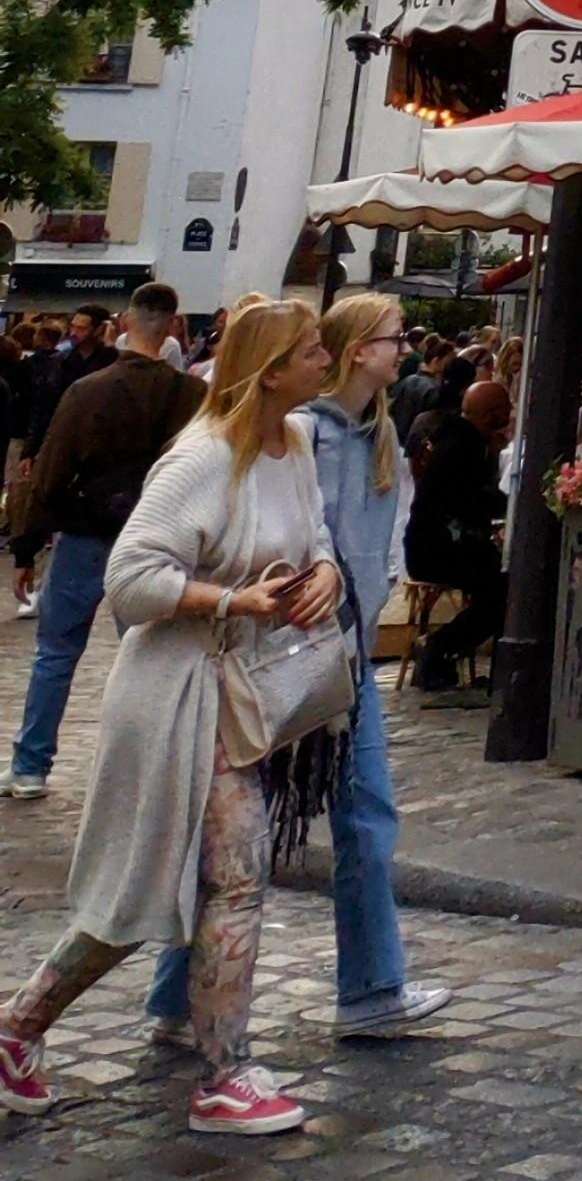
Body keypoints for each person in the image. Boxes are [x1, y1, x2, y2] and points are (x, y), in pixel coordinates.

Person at [0, 301, 346, 1139]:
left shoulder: (293, 443)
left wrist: (326, 571)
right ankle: (224, 1073)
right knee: (201, 878)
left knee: (185, 882)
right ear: (269, 371)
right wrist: (232, 597)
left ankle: (18, 1029)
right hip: (175, 694)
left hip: (236, 692)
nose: (325, 360)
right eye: (311, 351)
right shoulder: (199, 459)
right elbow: (132, 580)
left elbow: (314, 534)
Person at [151, 294, 451, 1050]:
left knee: (363, 819)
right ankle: (176, 996)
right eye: (393, 338)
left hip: (335, 663)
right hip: (274, 659)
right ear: (359, 353)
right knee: (234, 836)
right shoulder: (296, 438)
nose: (404, 348)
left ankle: (371, 987)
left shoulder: (375, 435)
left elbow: (359, 546)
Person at [7, 281, 203, 803]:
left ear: (124, 326)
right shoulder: (193, 397)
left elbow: (51, 470)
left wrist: (26, 544)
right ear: (170, 331)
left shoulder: (90, 391)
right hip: (158, 536)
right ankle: (147, 769)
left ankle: (30, 764)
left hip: (88, 532)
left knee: (56, 652)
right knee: (149, 657)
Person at [404, 378, 511, 690]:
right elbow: (469, 501)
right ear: (492, 414)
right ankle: (438, 647)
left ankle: (444, 650)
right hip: (437, 550)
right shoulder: (462, 446)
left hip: (436, 545)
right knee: (503, 590)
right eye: (505, 409)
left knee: (500, 583)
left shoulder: (456, 437)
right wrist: (506, 504)